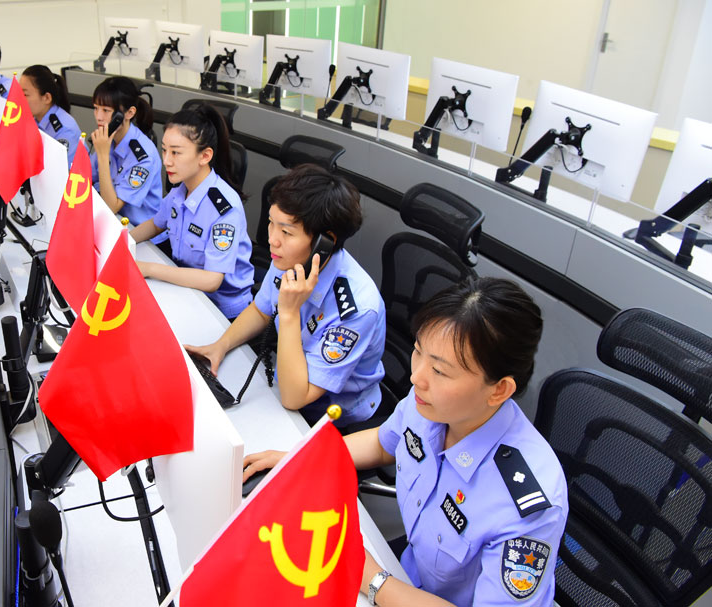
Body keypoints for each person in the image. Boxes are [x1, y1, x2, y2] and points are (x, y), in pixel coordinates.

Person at [242, 277, 568, 606]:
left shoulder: (527, 506)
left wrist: (370, 576)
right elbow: (383, 443)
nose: (416, 377)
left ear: (499, 390)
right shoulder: (432, 402)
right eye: (418, 352)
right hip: (407, 571)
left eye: (440, 371)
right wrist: (300, 458)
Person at [186, 164, 385, 426]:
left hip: (332, 415)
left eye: (286, 232)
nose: (272, 239)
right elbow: (261, 310)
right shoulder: (291, 259)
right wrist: (220, 346)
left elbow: (295, 398)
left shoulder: (356, 308)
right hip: (285, 382)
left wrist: (289, 313)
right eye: (271, 223)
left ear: (324, 243)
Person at [130, 104, 253, 320]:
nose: (166, 160)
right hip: (186, 290)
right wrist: (121, 241)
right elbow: (156, 224)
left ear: (204, 156)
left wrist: (149, 269)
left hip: (220, 309)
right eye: (164, 150)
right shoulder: (180, 190)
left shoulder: (224, 208)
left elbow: (212, 280)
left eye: (176, 152)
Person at [89, 77, 162, 231]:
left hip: (139, 233)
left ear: (129, 113)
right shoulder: (109, 138)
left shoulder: (143, 157)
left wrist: (102, 156)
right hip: (114, 223)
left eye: (106, 110)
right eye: (96, 108)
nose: (98, 117)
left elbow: (112, 206)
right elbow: (86, 177)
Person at [20, 65, 82, 167]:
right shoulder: (34, 119)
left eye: (25, 95)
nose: (19, 99)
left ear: (47, 98)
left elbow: (60, 171)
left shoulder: (64, 131)